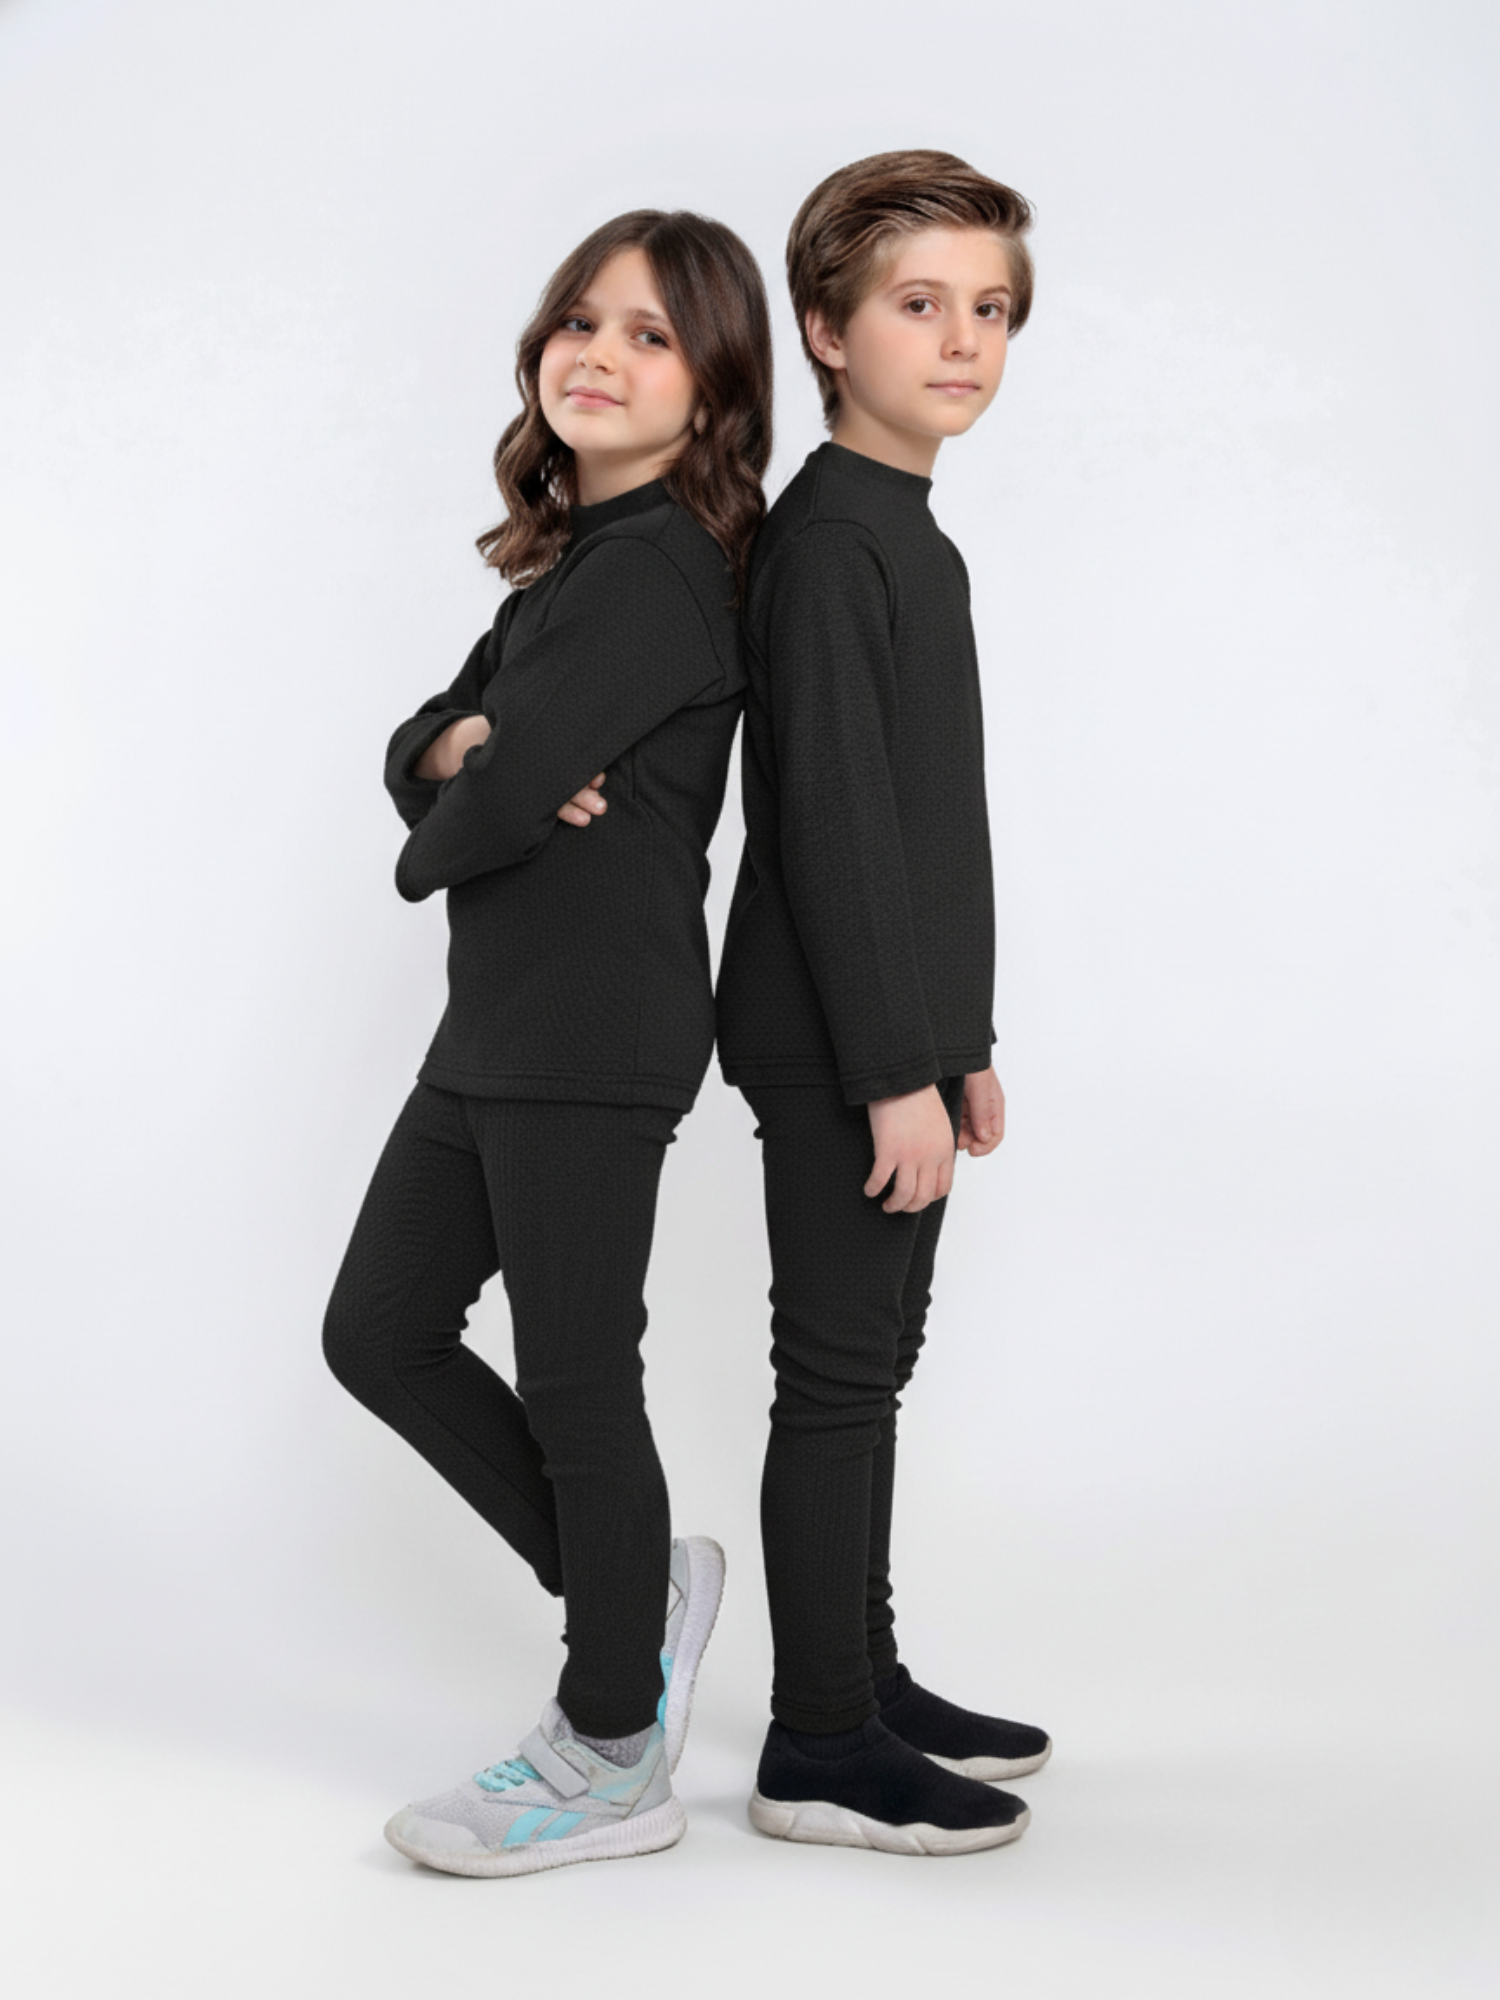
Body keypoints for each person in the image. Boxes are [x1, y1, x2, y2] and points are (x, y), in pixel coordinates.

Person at [323, 209, 772, 1878]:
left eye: (653, 336)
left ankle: (610, 1751)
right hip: (498, 1024)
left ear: (712, 388)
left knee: (581, 1379)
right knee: (380, 1331)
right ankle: (632, 1597)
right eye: (581, 320)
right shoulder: (575, 558)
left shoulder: (657, 569)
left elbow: (485, 808)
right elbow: (430, 750)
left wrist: (477, 787)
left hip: (592, 1028)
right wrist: (464, 755)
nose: (599, 354)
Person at [715, 150, 1050, 1855]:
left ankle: (868, 1676)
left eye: (991, 308)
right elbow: (835, 826)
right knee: (839, 1377)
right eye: (922, 304)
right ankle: (820, 1740)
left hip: (897, 1041)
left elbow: (935, 825)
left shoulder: (910, 535)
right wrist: (889, 1069)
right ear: (828, 332)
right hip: (834, 1041)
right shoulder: (834, 541)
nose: (965, 340)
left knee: (875, 1368)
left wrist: (958, 1047)